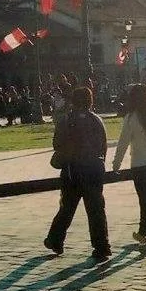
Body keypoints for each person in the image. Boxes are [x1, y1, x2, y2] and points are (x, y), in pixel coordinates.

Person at [44, 86, 112, 263]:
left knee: (67, 208)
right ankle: (102, 246)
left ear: (73, 101)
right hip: (93, 170)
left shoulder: (66, 120)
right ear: (90, 101)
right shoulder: (96, 120)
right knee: (96, 209)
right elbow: (103, 146)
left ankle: (55, 240)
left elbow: (57, 144)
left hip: (72, 171)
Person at [111, 84, 146, 253]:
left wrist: (116, 164)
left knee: (145, 202)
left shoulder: (130, 118)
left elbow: (123, 143)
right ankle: (142, 234)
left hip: (139, 166)